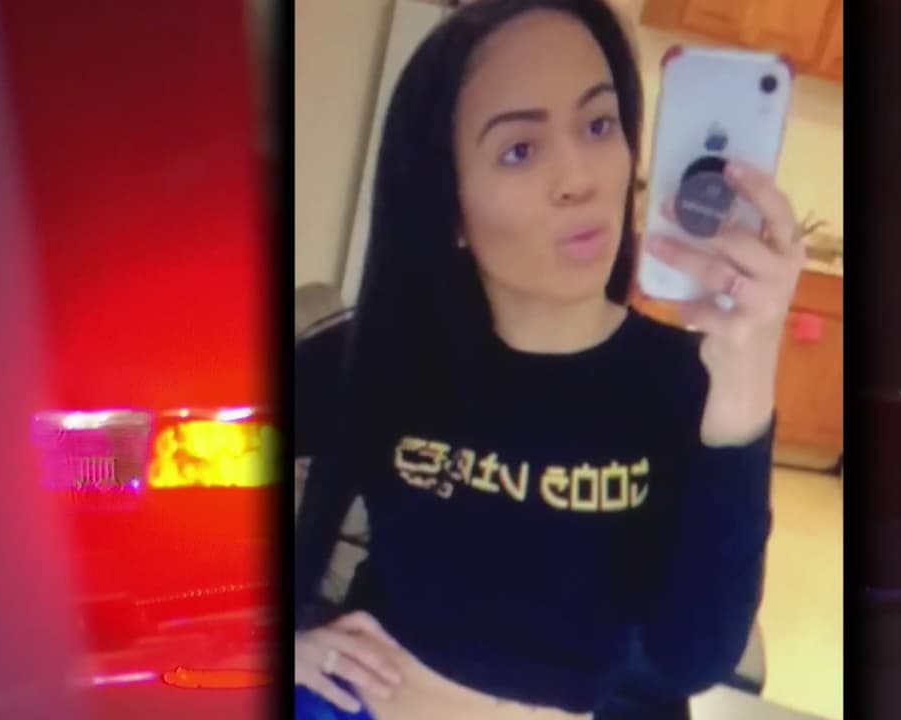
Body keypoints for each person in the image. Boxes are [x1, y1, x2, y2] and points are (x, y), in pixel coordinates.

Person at [294, 0, 806, 718]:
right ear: (450, 206)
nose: (581, 177)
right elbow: (168, 466)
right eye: (520, 150)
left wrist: (750, 371)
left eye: (598, 126)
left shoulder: (684, 382)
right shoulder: (384, 353)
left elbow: (692, 657)